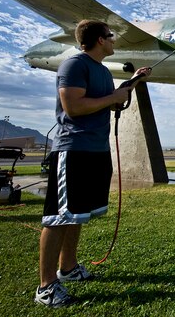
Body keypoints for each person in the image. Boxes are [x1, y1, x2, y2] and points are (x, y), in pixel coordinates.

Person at [34, 20, 150, 308]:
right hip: (73, 150)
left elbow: (103, 102)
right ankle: (46, 286)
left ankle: (69, 268)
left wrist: (132, 83)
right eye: (110, 37)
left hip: (97, 151)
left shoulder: (101, 70)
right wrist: (113, 97)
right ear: (100, 39)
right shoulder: (74, 65)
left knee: (77, 214)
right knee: (58, 217)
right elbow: (73, 106)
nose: (113, 42)